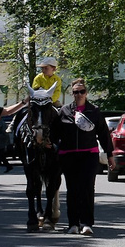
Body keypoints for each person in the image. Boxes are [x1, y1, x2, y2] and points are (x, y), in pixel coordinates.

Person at [55, 78, 107, 234]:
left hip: (89, 155)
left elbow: (104, 134)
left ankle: (86, 224)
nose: (79, 94)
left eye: (82, 91)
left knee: (87, 188)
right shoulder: (64, 111)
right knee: (72, 189)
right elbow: (55, 133)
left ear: (86, 93)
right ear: (72, 93)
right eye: (76, 92)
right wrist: (50, 143)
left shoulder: (94, 111)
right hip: (68, 155)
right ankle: (73, 224)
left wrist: (110, 154)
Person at [17, 87, 63, 229]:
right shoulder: (38, 80)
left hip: (50, 100)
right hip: (36, 98)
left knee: (63, 116)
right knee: (20, 116)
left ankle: (49, 211)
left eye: (46, 67)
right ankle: (33, 213)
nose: (44, 69)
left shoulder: (56, 80)